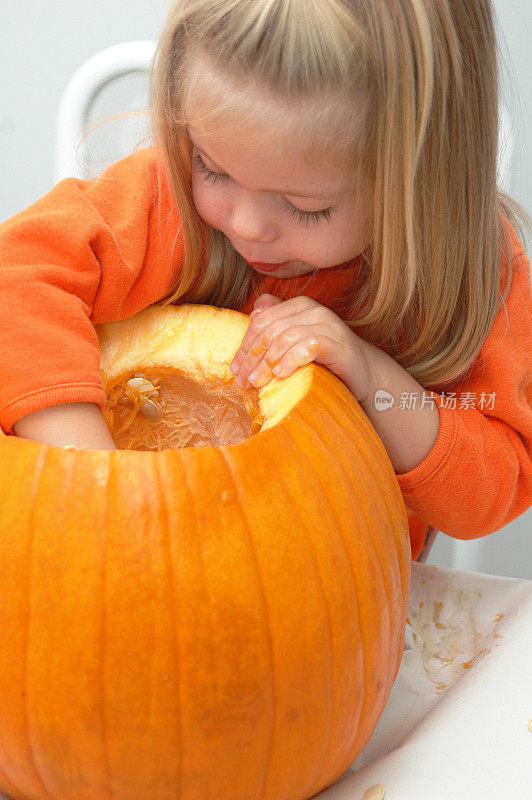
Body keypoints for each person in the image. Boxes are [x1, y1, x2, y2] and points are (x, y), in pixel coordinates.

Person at [0, 0, 530, 560]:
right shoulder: (164, 197)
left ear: (423, 179)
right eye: (214, 169)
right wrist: (100, 485)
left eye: (305, 207)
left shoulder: (480, 275)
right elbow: (17, 277)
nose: (247, 226)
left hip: (333, 595)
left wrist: (372, 376)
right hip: (103, 564)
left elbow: (493, 490)